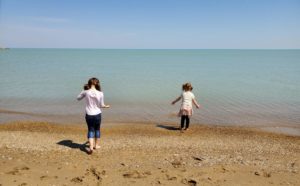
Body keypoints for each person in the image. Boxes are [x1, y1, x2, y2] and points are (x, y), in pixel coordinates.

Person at [77, 77, 110, 154]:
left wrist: (84, 91)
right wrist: (106, 106)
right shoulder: (101, 93)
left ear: (89, 83)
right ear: (97, 83)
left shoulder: (86, 92)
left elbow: (78, 98)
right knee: (97, 129)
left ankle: (91, 147)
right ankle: (96, 145)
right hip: (97, 114)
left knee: (90, 129)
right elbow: (102, 105)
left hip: (89, 114)